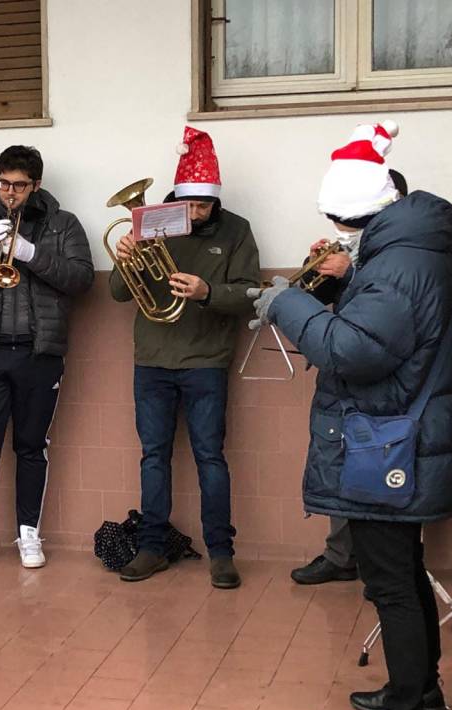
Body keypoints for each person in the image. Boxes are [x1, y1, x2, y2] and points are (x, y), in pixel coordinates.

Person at [252, 121, 452, 710]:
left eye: (339, 221)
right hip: (410, 436)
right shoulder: (420, 254)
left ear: (356, 212)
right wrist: (343, 287)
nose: (339, 232)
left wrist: (286, 304)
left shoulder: (397, 266)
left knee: (391, 584)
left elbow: (352, 350)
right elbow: (391, 333)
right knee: (401, 572)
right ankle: (420, 691)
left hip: (388, 444)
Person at [115, 127, 260, 589]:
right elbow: (120, 294)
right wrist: (126, 259)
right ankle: (152, 547)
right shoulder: (153, 220)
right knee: (153, 456)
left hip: (206, 362)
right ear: (175, 197)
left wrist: (208, 291)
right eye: (189, 205)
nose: (195, 215)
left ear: (216, 201)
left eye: (204, 206)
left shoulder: (237, 230)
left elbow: (251, 294)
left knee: (209, 457)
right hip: (152, 360)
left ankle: (221, 552)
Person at [0, 145, 94, 578]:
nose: (10, 193)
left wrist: (31, 254)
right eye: (4, 184)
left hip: (38, 352)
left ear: (36, 185)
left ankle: (29, 533)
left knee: (30, 447)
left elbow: (82, 279)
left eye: (19, 186)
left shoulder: (63, 225)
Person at [290, 168, 408, 586]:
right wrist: (317, 268)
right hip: (347, 373)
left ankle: (390, 566)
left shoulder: (403, 254)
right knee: (342, 463)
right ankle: (341, 556)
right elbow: (314, 298)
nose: (345, 227)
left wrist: (352, 275)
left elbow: (390, 305)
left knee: (386, 467)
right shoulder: (354, 247)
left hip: (387, 379)